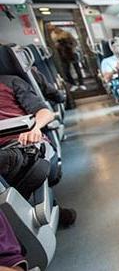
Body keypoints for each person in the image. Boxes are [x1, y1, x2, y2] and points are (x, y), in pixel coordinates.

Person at [0, 75, 76, 228]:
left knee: (13, 158)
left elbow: (44, 112)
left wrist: (35, 128)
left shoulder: (10, 82)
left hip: (21, 142)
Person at [49, 25, 86, 91]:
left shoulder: (67, 35)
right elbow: (56, 48)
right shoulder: (54, 38)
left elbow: (75, 43)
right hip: (63, 56)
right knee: (66, 72)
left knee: (77, 70)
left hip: (72, 53)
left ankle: (81, 84)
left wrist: (71, 47)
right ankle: (73, 84)